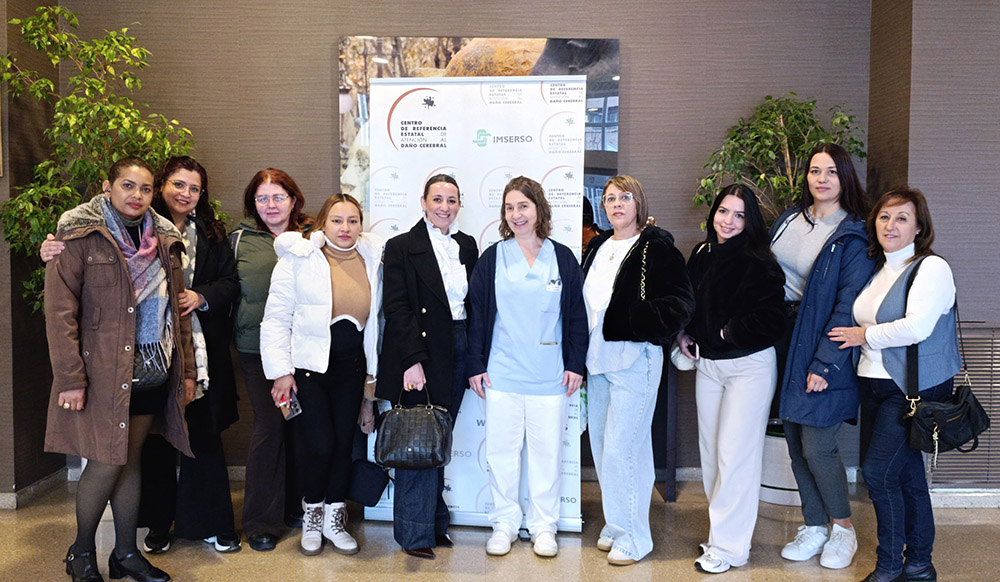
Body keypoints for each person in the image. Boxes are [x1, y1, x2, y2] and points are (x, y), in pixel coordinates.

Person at [41, 157, 242, 554]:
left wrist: (184, 368)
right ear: (108, 187)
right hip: (105, 369)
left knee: (132, 459)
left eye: (144, 189)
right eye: (129, 186)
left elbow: (177, 314)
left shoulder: (164, 238)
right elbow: (60, 311)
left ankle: (125, 555)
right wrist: (70, 378)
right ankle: (82, 551)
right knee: (108, 461)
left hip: (156, 367)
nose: (137, 195)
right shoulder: (81, 235)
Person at [830, 188, 957, 582]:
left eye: (902, 218)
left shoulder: (931, 268)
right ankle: (919, 563)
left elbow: (917, 327)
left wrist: (862, 335)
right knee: (906, 475)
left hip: (911, 389)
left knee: (879, 473)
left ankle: (889, 566)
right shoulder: (879, 268)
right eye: (885, 217)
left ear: (919, 227)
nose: (891, 225)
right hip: (876, 385)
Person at [467, 176, 588, 558]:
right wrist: (475, 364)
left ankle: (543, 527)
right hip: (502, 373)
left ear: (539, 209)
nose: (517, 214)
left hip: (550, 376)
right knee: (501, 454)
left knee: (546, 456)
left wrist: (575, 363)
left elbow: (575, 317)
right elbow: (477, 317)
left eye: (524, 206)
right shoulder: (493, 257)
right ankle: (503, 523)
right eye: (509, 207)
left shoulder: (562, 257)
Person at [260, 193, 383, 556]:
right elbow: (276, 319)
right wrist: (281, 373)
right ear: (322, 223)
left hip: (352, 369)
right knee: (319, 445)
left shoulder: (374, 259)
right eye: (337, 221)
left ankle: (335, 517)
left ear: (361, 225)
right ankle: (312, 513)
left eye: (353, 221)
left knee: (343, 445)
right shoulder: (298, 259)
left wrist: (370, 384)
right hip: (309, 369)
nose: (345, 229)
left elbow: (379, 324)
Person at [770, 143, 874, 570]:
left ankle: (843, 528)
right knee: (793, 442)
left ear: (844, 178)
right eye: (815, 170)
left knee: (818, 446)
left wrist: (824, 362)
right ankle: (814, 525)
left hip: (821, 343)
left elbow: (848, 303)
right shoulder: (789, 220)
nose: (822, 179)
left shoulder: (854, 234)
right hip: (780, 339)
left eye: (831, 171)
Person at [580, 175, 694, 566]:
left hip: (635, 359)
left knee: (622, 448)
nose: (616, 204)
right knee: (602, 445)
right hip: (597, 361)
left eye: (624, 197)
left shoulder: (655, 245)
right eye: (610, 198)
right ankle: (617, 522)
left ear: (638, 202)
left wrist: (635, 322)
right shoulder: (597, 245)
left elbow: (680, 302)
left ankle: (636, 535)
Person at [674, 184, 787, 573]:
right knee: (711, 454)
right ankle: (723, 534)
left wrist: (726, 333)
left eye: (739, 215)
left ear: (749, 221)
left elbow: (773, 319)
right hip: (710, 366)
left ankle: (729, 548)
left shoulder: (761, 261)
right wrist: (685, 332)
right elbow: (688, 301)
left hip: (749, 366)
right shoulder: (703, 254)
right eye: (724, 211)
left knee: (734, 455)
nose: (729, 221)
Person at [377, 174, 478, 559]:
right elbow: (397, 308)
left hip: (458, 345)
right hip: (420, 350)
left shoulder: (466, 245)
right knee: (416, 439)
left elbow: (473, 306)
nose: (444, 207)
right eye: (437, 199)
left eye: (452, 200)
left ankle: (435, 525)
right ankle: (414, 535)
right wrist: (411, 361)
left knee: (436, 439)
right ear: (423, 201)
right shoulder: (402, 246)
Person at [231, 168, 310, 552]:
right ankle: (262, 521)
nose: (271, 205)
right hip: (257, 351)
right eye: (262, 198)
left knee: (300, 425)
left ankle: (296, 506)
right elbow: (225, 285)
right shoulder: (240, 240)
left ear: (293, 200)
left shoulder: (314, 236)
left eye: (278, 197)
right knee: (270, 427)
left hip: (308, 350)